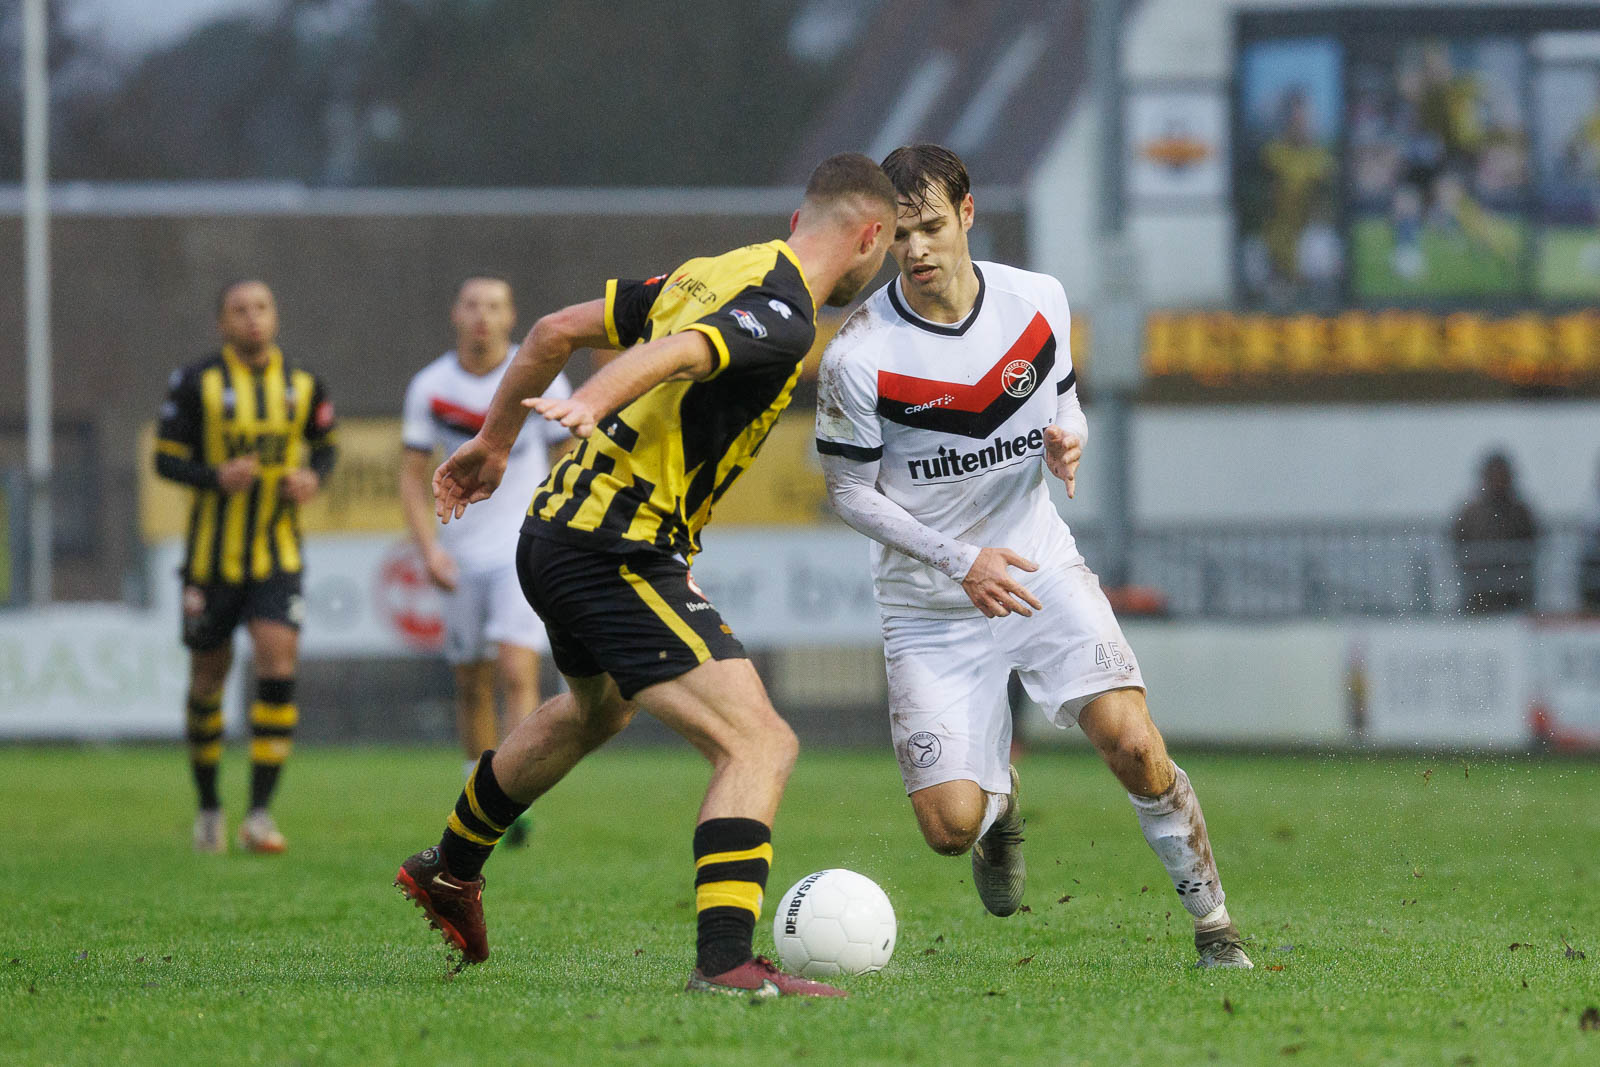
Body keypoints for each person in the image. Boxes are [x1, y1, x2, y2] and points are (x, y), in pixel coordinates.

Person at [392, 153, 899, 996]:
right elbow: (675, 357)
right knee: (759, 740)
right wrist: (591, 403)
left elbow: (553, 328)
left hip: (555, 529)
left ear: (794, 222)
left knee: (596, 711)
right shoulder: (781, 316)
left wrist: (493, 441)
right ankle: (726, 961)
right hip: (614, 548)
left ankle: (450, 865)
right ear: (869, 237)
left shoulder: (713, 272)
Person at [814, 145, 1252, 969]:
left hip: (1038, 561)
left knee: (1131, 740)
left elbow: (1067, 403)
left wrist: (1069, 441)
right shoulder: (858, 354)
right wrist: (959, 560)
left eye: (933, 227)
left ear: (968, 215)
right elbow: (849, 493)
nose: (917, 250)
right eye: (900, 234)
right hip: (931, 602)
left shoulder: (1036, 300)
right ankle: (998, 806)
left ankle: (1215, 926)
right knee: (948, 827)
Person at [153, 279, 338, 854]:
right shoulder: (195, 383)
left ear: (275, 316)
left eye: (261, 307)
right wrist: (214, 477)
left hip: (276, 558)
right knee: (208, 680)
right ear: (222, 323)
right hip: (210, 563)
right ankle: (209, 805)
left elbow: (326, 446)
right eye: (239, 310)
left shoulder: (303, 384)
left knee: (277, 664)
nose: (252, 319)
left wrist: (313, 477)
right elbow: (165, 458)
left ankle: (259, 813)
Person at [400, 277, 574, 846]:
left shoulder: (538, 375)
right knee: (471, 682)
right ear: (456, 313)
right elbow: (410, 474)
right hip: (459, 552)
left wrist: (560, 530)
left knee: (517, 671)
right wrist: (428, 549)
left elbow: (567, 460)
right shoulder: (431, 387)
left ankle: (513, 799)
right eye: (473, 304)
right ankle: (478, 791)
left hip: (520, 548)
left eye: (495, 305)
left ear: (511, 315)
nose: (483, 316)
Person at [1453, 450, 1539, 614]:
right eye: (1494, 475)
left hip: (1516, 595)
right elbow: (1457, 541)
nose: (1499, 480)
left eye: (1502, 475)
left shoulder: (1521, 512)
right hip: (1480, 595)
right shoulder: (1470, 513)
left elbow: (1533, 541)